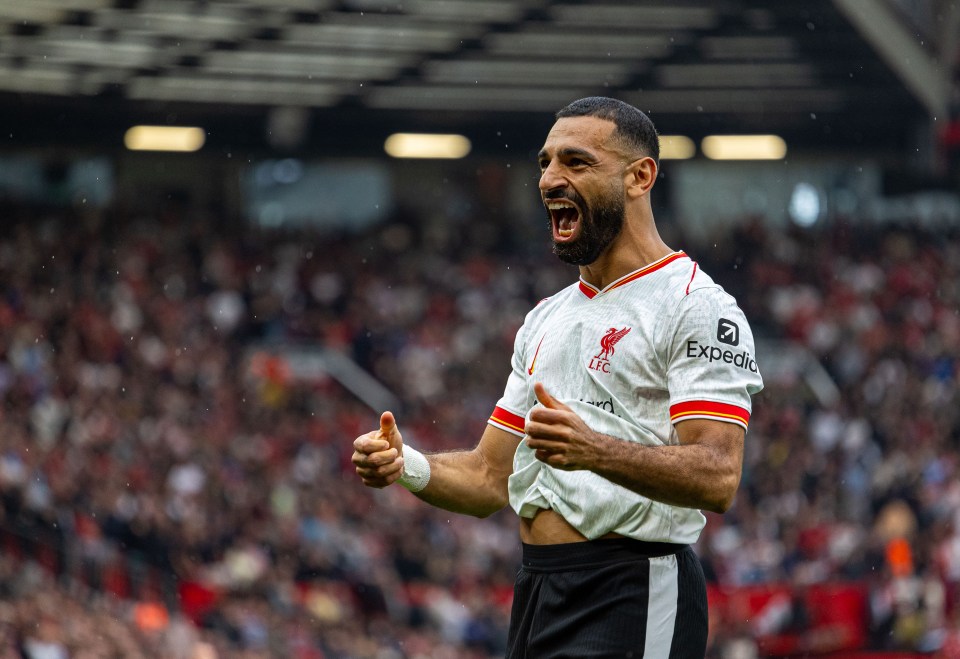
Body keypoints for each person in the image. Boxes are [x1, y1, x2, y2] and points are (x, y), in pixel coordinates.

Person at [352, 96, 763, 658]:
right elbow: (488, 477)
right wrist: (407, 465)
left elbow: (718, 476)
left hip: (632, 588)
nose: (549, 179)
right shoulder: (547, 317)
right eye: (545, 162)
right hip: (539, 590)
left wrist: (594, 449)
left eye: (576, 162)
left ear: (640, 176)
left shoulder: (695, 306)